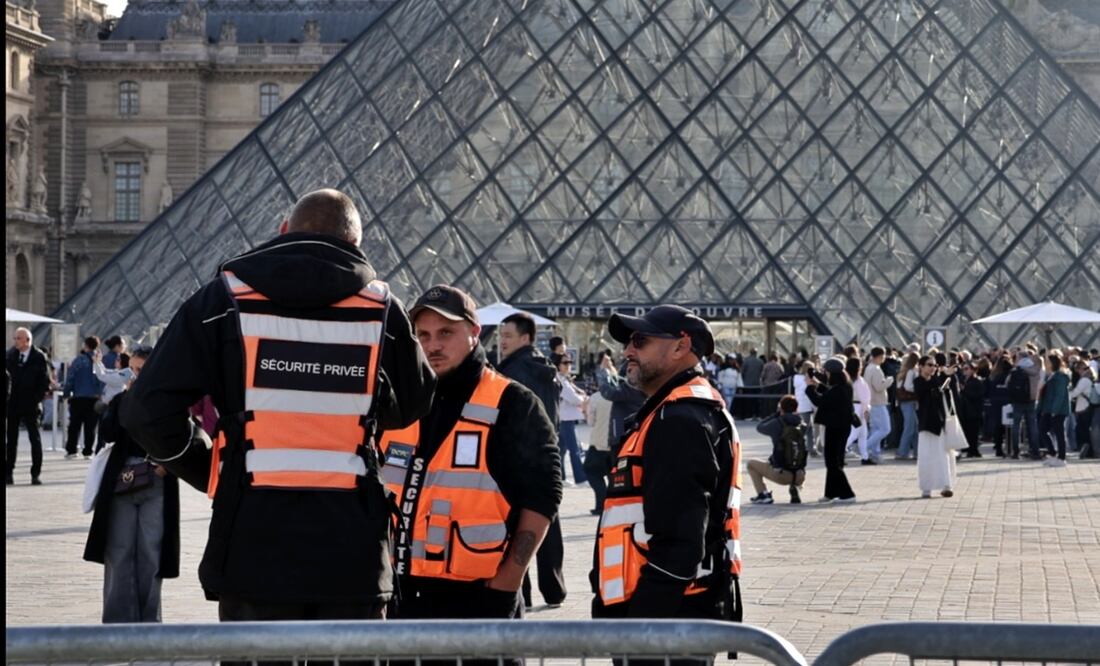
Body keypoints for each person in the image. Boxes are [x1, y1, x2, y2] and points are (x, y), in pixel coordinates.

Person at [121, 189, 436, 623]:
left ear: (284, 231)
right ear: (355, 244)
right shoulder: (382, 310)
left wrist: (210, 467)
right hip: (352, 547)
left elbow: (144, 410)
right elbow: (415, 402)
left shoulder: (223, 299)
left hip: (252, 540)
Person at [377, 286, 560, 660]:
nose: (433, 346)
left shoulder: (513, 402)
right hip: (400, 601)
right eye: (423, 335)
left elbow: (543, 498)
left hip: (479, 600)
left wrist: (507, 585)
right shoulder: (399, 402)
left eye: (446, 333)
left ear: (474, 332)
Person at [592, 306, 741, 651]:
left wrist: (640, 628)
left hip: (663, 625)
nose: (628, 351)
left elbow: (681, 544)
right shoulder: (681, 411)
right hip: (676, 614)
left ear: (680, 346)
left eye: (640, 341)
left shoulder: (677, 421)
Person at [84, 347, 180, 623]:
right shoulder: (123, 400)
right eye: (134, 369)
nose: (138, 374)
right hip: (120, 481)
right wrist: (126, 399)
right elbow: (108, 433)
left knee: (151, 553)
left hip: (156, 482)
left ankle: (150, 621)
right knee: (119, 551)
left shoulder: (169, 401)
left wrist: (166, 467)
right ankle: (117, 621)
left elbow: (185, 436)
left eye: (143, 369)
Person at [496, 312, 566, 609]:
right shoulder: (545, 368)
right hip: (546, 455)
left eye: (507, 336)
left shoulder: (513, 371)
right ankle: (555, 589)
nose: (501, 342)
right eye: (500, 337)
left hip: (518, 456)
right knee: (547, 523)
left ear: (525, 338)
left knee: (517, 528)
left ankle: (519, 592)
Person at [806, 357, 856, 502]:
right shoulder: (845, 385)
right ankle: (831, 493)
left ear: (831, 373)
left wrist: (810, 387)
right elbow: (829, 393)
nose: (825, 374)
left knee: (832, 462)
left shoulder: (837, 390)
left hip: (835, 428)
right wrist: (818, 384)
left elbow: (820, 401)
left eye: (826, 372)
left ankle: (847, 494)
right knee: (836, 461)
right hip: (842, 427)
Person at [6, 328, 52, 485]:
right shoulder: (10, 355)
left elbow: (45, 381)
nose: (15, 341)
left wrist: (35, 399)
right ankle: (8, 473)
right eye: (15, 338)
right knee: (11, 440)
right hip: (12, 404)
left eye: (18, 338)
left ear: (27, 340)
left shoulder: (39, 357)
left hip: (31, 404)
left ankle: (35, 474)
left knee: (35, 439)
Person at [748, 395, 807, 505]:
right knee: (792, 453)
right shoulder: (802, 424)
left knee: (751, 464)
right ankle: (794, 487)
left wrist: (776, 415)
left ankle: (763, 495)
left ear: (781, 408)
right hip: (800, 475)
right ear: (796, 408)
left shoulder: (777, 423)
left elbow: (760, 427)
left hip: (781, 475)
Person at [913, 356, 957, 498]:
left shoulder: (937, 380)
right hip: (927, 425)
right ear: (920, 366)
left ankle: (946, 485)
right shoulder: (919, 381)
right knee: (927, 456)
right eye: (929, 365)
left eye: (935, 365)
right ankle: (927, 488)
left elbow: (946, 393)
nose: (933, 367)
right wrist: (943, 375)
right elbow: (927, 389)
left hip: (940, 423)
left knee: (943, 456)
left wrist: (946, 377)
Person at [64, 336, 105, 459]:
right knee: (90, 426)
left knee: (74, 425)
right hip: (94, 398)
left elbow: (70, 378)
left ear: (85, 345)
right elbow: (102, 378)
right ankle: (88, 451)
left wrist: (66, 392)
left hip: (78, 398)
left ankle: (72, 450)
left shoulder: (79, 360)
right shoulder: (98, 361)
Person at [552, 353, 588, 487]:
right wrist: (583, 400)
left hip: (564, 418)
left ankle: (561, 477)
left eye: (569, 363)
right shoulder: (560, 379)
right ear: (558, 365)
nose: (568, 366)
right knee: (575, 450)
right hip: (566, 419)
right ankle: (581, 478)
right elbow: (574, 398)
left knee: (561, 450)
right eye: (565, 363)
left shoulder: (564, 379)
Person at [582, 389, 613, 515]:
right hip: (618, 443)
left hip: (599, 442)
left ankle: (601, 503)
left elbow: (591, 421)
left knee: (591, 471)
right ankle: (613, 503)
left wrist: (585, 411)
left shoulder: (596, 397)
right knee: (614, 475)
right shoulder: (627, 395)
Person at [1038, 354, 1071, 466]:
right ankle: (1053, 454)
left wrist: (1054, 410)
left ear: (1052, 363)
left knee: (1059, 433)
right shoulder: (1050, 376)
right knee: (1043, 430)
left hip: (1057, 410)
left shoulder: (1060, 377)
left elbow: (1059, 395)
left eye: (1047, 362)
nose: (1045, 364)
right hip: (1048, 409)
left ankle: (1061, 458)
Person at [1010, 348, 1042, 460]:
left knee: (1016, 426)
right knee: (1032, 426)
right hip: (1031, 400)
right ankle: (1035, 451)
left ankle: (1015, 451)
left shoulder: (1016, 369)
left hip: (1017, 401)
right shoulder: (1035, 369)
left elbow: (1008, 384)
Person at [863, 347, 893, 463]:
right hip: (878, 402)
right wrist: (889, 381)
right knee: (885, 429)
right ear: (881, 356)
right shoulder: (876, 369)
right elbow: (879, 386)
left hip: (871, 402)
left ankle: (875, 453)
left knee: (875, 429)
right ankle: (865, 447)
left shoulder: (868, 368)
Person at [845, 357, 872, 464]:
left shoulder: (848, 380)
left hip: (852, 406)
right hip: (859, 407)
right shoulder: (860, 381)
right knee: (856, 433)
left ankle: (865, 456)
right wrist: (866, 410)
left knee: (862, 433)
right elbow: (865, 397)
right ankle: (839, 450)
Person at [895, 352, 920, 460]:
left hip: (904, 402)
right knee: (910, 428)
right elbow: (908, 386)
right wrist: (918, 391)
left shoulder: (903, 372)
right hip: (910, 401)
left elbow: (900, 386)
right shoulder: (911, 371)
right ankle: (902, 452)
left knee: (913, 428)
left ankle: (917, 452)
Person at [958, 362, 985, 458]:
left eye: (967, 369)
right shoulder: (963, 380)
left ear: (973, 370)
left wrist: (964, 390)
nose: (964, 371)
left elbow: (976, 396)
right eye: (963, 369)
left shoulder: (977, 381)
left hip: (973, 410)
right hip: (965, 410)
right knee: (967, 431)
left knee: (973, 431)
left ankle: (973, 450)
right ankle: (970, 449)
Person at [1069, 361, 1096, 458]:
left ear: (1081, 369)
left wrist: (1066, 396)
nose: (1077, 372)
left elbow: (1076, 392)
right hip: (1086, 408)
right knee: (1084, 430)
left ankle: (1088, 451)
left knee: (1081, 431)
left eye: (1078, 370)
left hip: (1084, 408)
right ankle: (1089, 451)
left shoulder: (1084, 380)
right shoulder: (1090, 378)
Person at [792, 360, 818, 457]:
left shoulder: (796, 378)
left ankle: (811, 449)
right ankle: (796, 448)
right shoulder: (806, 380)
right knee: (805, 430)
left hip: (800, 406)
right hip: (806, 407)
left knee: (809, 429)